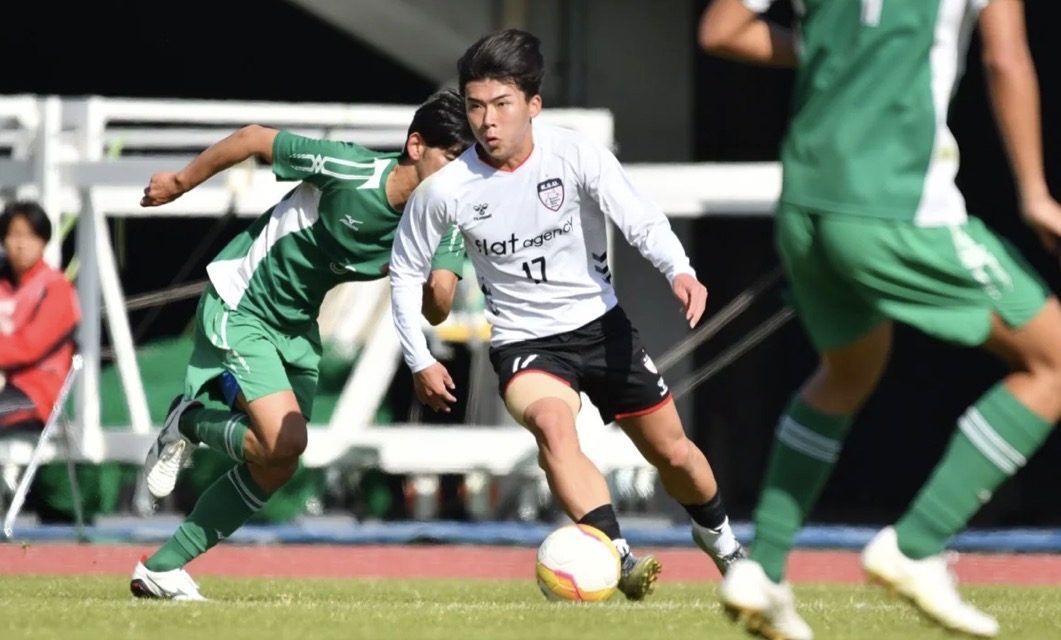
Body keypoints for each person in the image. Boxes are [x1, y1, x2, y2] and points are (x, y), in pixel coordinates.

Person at [700, 1, 1061, 637]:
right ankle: (917, 545)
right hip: (895, 204)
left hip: (806, 202)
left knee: (848, 370)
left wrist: (830, 49)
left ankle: (763, 567)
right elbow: (1005, 58)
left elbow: (722, 28)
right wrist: (1034, 193)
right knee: (1054, 360)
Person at [387, 29, 746, 602]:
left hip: (601, 327)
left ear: (533, 104)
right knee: (554, 427)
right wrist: (418, 358)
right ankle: (617, 556)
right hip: (525, 342)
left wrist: (678, 269)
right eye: (475, 106)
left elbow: (637, 217)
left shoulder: (574, 154)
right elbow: (405, 272)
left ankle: (722, 543)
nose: (487, 121)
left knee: (674, 453)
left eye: (501, 104)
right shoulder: (446, 189)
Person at [129, 89, 476, 600]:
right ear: (416, 146)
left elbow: (438, 308)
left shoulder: (442, 219)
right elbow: (253, 139)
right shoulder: (350, 169)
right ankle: (190, 421)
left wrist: (429, 272)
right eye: (452, 158)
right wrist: (180, 183)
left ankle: (162, 567)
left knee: (280, 461)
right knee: (282, 442)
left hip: (295, 328)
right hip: (242, 302)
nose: (460, 174)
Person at [0, 201, 80, 435]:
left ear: (44, 241)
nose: (22, 244)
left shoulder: (56, 288)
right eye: (15, 235)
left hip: (37, 395)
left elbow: (28, 347)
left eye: (31, 236)